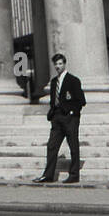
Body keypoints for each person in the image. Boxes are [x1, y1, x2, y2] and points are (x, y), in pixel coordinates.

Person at [33, 53, 86, 184]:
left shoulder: (73, 80)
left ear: (64, 64)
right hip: (56, 118)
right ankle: (48, 175)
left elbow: (81, 101)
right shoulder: (53, 82)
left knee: (73, 146)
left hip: (70, 118)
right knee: (51, 146)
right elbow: (53, 100)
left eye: (60, 63)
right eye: (56, 64)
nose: (58, 66)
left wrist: (72, 112)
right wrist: (52, 114)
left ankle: (74, 175)